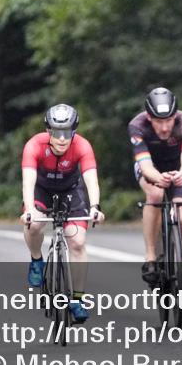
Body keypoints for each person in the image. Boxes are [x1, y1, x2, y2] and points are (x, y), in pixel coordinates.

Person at [20, 104, 105, 323]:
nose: (62, 138)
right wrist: (29, 210)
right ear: (48, 131)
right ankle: (37, 260)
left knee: (77, 242)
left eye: (68, 132)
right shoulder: (34, 145)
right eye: (57, 132)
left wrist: (95, 207)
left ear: (74, 132)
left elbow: (91, 179)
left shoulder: (82, 146)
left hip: (71, 190)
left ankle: (77, 299)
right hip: (42, 190)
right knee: (35, 224)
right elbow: (28, 181)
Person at [129, 87, 182, 291]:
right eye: (159, 121)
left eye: (168, 120)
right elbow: (145, 165)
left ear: (175, 116)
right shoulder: (137, 125)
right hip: (152, 168)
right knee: (155, 194)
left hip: (178, 168)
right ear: (149, 118)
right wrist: (158, 178)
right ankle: (151, 256)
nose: (165, 127)